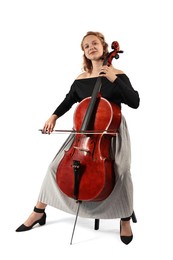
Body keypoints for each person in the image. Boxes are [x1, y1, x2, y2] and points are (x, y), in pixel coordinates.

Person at [16, 31, 140, 245]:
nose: (91, 47)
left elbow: (135, 101)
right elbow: (68, 101)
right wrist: (53, 116)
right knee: (54, 167)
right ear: (84, 52)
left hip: (111, 133)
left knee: (122, 172)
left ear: (103, 47)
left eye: (94, 43)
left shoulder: (117, 74)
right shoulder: (81, 80)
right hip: (81, 134)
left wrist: (113, 78)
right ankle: (39, 211)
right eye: (86, 46)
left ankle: (125, 218)